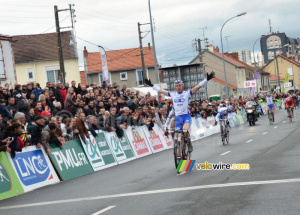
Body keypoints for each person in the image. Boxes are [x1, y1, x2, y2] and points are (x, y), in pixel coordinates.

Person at [145, 71, 215, 154]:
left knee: (185, 130)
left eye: (179, 85)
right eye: (176, 86)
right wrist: (152, 85)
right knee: (178, 134)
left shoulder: (187, 93)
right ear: (175, 87)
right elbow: (161, 91)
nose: (178, 87)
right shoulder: (173, 94)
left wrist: (206, 79)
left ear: (182, 86)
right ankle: (179, 150)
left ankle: (189, 143)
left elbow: (197, 87)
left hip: (186, 117)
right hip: (178, 118)